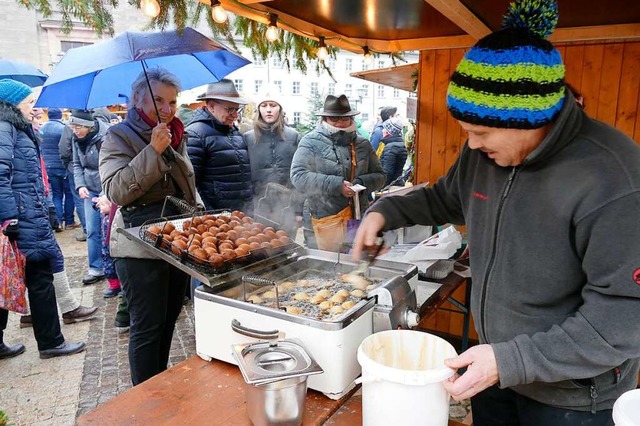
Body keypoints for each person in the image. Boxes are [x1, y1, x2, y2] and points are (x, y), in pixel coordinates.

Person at [352, 0, 640, 424]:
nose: (471, 144)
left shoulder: (614, 178)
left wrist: (510, 359)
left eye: (480, 132)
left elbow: (623, 315)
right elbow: (445, 198)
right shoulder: (486, 157)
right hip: (494, 372)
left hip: (571, 398)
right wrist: (384, 211)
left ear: (529, 120)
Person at [99, 67, 200, 385]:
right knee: (147, 327)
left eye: (172, 101)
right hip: (137, 246)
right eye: (158, 100)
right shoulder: (118, 136)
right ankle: (145, 402)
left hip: (175, 242)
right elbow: (116, 190)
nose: (167, 109)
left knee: (169, 320)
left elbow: (184, 188)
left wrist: (204, 218)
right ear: (136, 99)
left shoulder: (176, 134)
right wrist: (152, 150)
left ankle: (159, 387)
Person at [0, 78, 86, 359]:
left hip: (28, 214)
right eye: (29, 103)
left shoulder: (15, 128)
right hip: (22, 218)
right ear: (12, 104)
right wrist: (9, 217)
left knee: (13, 277)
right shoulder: (6, 128)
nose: (34, 109)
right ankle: (51, 342)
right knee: (40, 278)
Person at [290, 94, 385, 252]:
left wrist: (360, 183)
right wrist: (337, 185)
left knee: (354, 263)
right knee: (322, 268)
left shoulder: (363, 143)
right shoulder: (310, 141)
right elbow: (298, 176)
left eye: (345, 118)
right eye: (335, 118)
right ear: (325, 118)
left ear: (351, 118)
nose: (340, 122)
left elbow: (381, 176)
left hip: (357, 217)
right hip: (323, 218)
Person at [186, 79, 253, 214]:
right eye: (230, 109)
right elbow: (191, 185)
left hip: (242, 215)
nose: (235, 115)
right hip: (216, 219)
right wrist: (211, 214)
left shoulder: (234, 132)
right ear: (211, 106)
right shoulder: (194, 134)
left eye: (237, 109)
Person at [243, 85, 302, 234]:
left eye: (273, 105)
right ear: (259, 110)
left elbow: (300, 175)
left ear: (280, 109)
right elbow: (244, 175)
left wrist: (298, 210)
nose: (268, 109)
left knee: (287, 246)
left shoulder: (293, 137)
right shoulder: (248, 138)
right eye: (264, 105)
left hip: (287, 205)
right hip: (258, 205)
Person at [70, 109, 108, 284]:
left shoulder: (106, 135)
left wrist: (106, 192)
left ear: (89, 126)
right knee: (92, 230)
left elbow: (111, 165)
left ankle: (113, 269)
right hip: (89, 188)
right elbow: (77, 164)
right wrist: (80, 185)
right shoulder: (76, 139)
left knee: (107, 230)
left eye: (78, 127)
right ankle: (96, 267)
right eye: (73, 126)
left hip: (106, 188)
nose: (75, 130)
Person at [40, 107, 80, 231]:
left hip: (48, 167)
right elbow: (66, 149)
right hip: (62, 166)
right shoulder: (63, 128)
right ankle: (69, 221)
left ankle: (58, 222)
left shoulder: (41, 129)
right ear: (60, 115)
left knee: (56, 194)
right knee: (69, 194)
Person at [59, 123, 87, 241]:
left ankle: (87, 229)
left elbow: (64, 149)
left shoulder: (70, 126)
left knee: (80, 199)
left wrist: (67, 164)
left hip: (75, 167)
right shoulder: (102, 122)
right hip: (98, 169)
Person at [378, 116, 408, 186]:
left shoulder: (390, 147)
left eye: (385, 129)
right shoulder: (401, 144)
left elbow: (387, 172)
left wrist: (380, 188)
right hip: (397, 183)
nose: (382, 130)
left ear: (389, 132)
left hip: (390, 186)